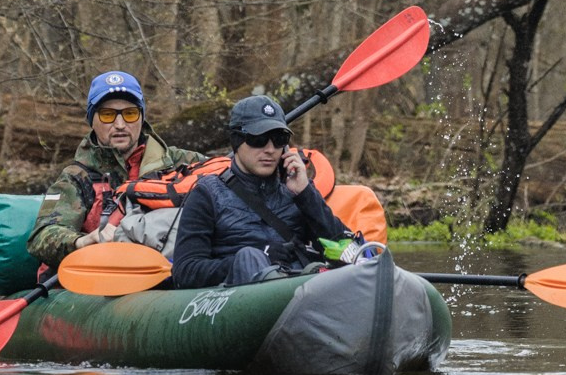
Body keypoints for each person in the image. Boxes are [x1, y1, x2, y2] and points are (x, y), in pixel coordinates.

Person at [166, 93, 363, 288]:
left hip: (300, 292)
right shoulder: (206, 194)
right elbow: (185, 271)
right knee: (249, 257)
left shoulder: (298, 191)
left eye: (279, 139)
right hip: (236, 297)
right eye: (258, 139)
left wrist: (305, 195)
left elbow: (346, 250)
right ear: (236, 141)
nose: (270, 149)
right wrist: (254, 258)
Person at [30, 71, 207, 273]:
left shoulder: (182, 162)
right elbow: (41, 236)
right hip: (103, 277)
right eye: (108, 115)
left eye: (130, 114)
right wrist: (82, 241)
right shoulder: (75, 178)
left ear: (141, 118)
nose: (120, 125)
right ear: (92, 120)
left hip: (171, 270)